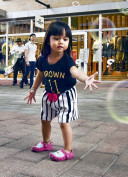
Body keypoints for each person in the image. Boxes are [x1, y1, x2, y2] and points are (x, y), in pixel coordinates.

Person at [24, 21, 100, 162]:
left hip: (66, 95)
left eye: (65, 39)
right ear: (48, 40)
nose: (61, 42)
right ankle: (46, 143)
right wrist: (33, 89)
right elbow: (40, 75)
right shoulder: (42, 59)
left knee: (63, 122)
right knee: (44, 119)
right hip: (49, 94)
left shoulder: (66, 60)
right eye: (57, 38)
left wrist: (86, 79)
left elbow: (74, 71)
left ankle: (67, 150)